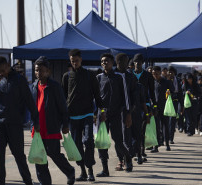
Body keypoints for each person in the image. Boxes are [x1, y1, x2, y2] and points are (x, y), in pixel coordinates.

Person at [0, 56, 39, 185]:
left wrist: (36, 121)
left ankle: (28, 181)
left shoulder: (19, 80)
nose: (0, 73)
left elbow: (29, 101)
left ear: (7, 65)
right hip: (0, 124)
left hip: (15, 124)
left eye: (2, 70)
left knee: (19, 156)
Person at [61, 49, 105, 182]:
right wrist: (64, 118)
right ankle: (83, 172)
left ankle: (90, 170)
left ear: (81, 60)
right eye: (72, 61)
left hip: (87, 114)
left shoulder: (89, 75)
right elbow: (63, 98)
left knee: (88, 141)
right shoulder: (66, 77)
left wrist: (101, 112)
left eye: (77, 60)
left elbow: (97, 95)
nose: (74, 63)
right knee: (77, 145)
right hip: (72, 117)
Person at [30, 56, 75, 185]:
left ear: (48, 71)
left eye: (41, 70)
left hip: (51, 127)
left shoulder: (54, 86)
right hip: (37, 129)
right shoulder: (33, 86)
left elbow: (63, 107)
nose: (38, 73)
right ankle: (45, 182)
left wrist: (65, 124)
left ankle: (69, 171)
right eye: (36, 70)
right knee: (39, 159)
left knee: (54, 154)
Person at [96, 53, 132, 177]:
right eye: (102, 61)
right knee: (102, 142)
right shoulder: (99, 78)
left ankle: (127, 156)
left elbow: (125, 98)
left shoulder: (119, 77)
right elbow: (96, 98)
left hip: (116, 114)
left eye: (107, 61)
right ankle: (105, 169)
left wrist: (127, 114)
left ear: (112, 63)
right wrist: (98, 113)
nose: (104, 63)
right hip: (102, 115)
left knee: (118, 140)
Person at [114, 53, 137, 170]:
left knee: (126, 136)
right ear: (118, 62)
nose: (127, 64)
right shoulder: (112, 75)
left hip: (126, 110)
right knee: (117, 138)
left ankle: (128, 160)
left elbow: (133, 95)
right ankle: (120, 159)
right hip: (113, 111)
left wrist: (130, 112)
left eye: (128, 61)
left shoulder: (131, 77)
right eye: (125, 62)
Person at [132, 53, 156, 155]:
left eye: (140, 62)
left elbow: (152, 91)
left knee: (142, 129)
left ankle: (141, 151)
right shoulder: (130, 74)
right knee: (133, 129)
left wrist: (154, 106)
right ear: (133, 63)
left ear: (143, 63)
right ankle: (135, 149)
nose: (138, 63)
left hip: (145, 106)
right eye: (136, 61)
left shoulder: (148, 75)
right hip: (132, 105)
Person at [151, 66, 173, 151]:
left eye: (156, 73)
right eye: (153, 74)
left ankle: (167, 144)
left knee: (165, 126)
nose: (155, 75)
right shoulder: (152, 82)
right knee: (156, 127)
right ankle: (155, 146)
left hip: (165, 107)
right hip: (155, 107)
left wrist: (169, 93)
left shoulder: (166, 82)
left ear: (160, 73)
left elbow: (173, 91)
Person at [168, 66, 183, 144]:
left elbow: (180, 93)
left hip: (175, 102)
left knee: (172, 120)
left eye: (172, 72)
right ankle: (165, 137)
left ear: (174, 73)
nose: (170, 73)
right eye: (169, 72)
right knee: (166, 121)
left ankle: (171, 138)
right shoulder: (165, 80)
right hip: (166, 103)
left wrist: (182, 105)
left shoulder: (178, 80)